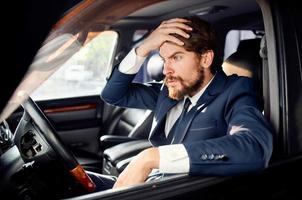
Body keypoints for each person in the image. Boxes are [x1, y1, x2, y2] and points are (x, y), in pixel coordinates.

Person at [101, 17, 273, 189]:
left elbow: (254, 148)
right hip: (151, 183)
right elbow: (112, 95)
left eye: (176, 57)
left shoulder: (236, 90)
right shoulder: (169, 90)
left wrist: (152, 157)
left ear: (205, 59)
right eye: (164, 59)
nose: (165, 70)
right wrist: (143, 48)